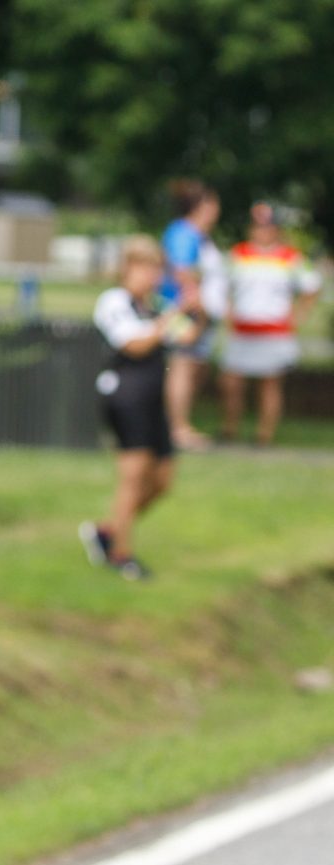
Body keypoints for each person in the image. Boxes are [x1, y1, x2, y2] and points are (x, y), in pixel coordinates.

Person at [80, 235, 196, 581]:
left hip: (153, 401)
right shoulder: (115, 302)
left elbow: (188, 335)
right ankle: (121, 555)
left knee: (162, 480)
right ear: (129, 268)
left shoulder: (155, 305)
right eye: (147, 267)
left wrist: (192, 304)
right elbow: (135, 344)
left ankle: (106, 531)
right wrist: (170, 318)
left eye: (157, 268)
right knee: (133, 478)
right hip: (126, 398)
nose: (153, 276)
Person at [219, 202, 322, 447]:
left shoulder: (290, 257)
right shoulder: (238, 255)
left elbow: (311, 286)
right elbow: (223, 287)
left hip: (275, 331)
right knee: (232, 382)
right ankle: (229, 428)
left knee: (270, 384)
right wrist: (228, 310)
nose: (262, 231)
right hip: (243, 330)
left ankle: (264, 434)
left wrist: (299, 313)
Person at [159, 180, 225, 451]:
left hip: (197, 314)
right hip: (184, 313)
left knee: (193, 367)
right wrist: (199, 313)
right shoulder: (184, 233)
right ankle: (177, 428)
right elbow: (183, 274)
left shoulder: (198, 235)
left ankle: (179, 423)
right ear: (203, 206)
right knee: (182, 366)